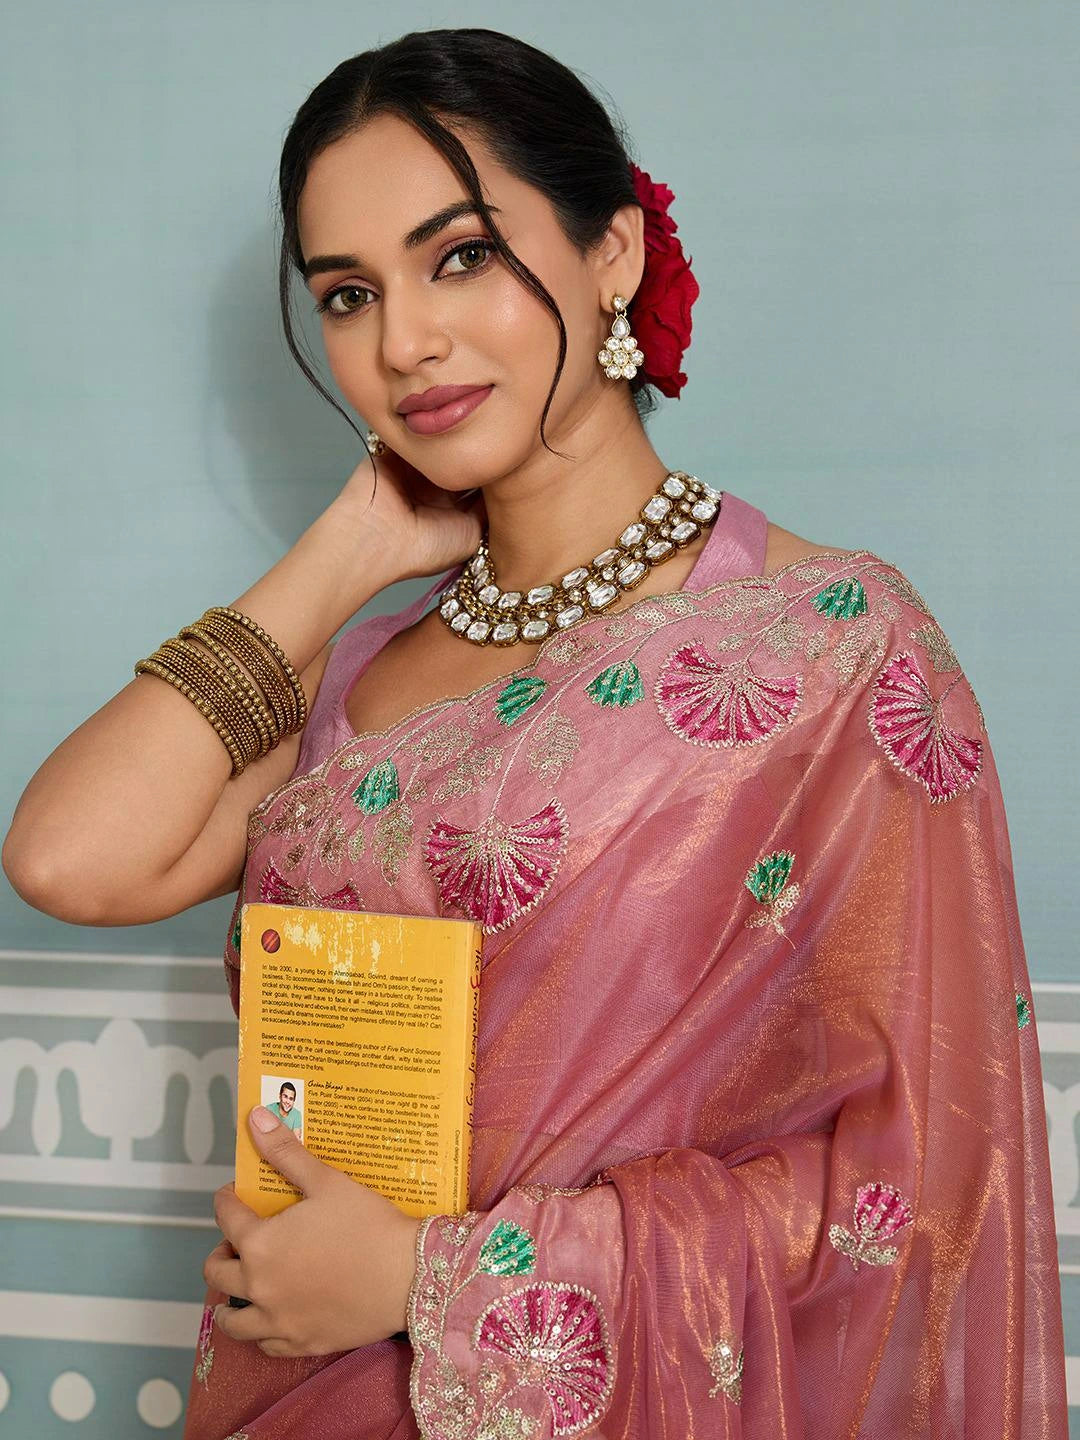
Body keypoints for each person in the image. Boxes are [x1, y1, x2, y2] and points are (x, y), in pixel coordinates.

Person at [2, 25, 1066, 1440]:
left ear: (613, 252)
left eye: (458, 259)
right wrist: (341, 550)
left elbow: (921, 1187)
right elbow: (69, 859)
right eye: (345, 294)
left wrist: (427, 1278)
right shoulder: (361, 668)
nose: (402, 343)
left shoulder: (825, 650)